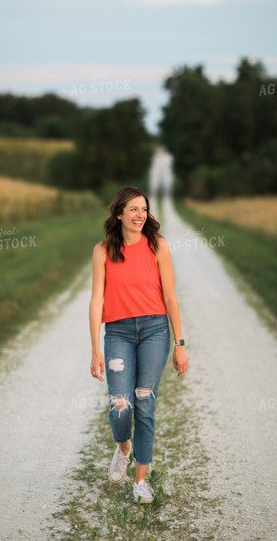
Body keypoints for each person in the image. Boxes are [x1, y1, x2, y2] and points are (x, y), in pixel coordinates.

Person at [89, 186, 189, 504]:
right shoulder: (102, 251)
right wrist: (95, 350)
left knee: (144, 403)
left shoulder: (157, 245)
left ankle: (141, 481)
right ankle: (123, 447)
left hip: (155, 331)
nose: (140, 214)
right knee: (120, 404)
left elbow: (171, 296)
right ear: (119, 213)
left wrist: (180, 343)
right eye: (133, 209)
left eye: (144, 209)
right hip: (117, 333)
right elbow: (95, 303)